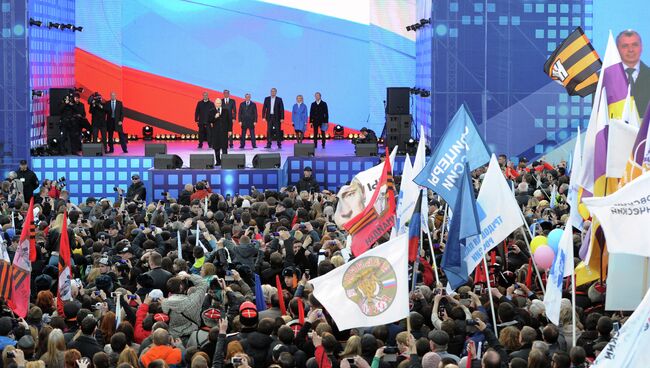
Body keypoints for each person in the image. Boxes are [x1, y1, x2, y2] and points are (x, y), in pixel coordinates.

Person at [617, 29, 650, 117]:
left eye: (635, 45)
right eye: (625, 46)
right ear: (617, 49)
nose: (630, 50)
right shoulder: (605, 77)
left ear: (641, 47)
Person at [209, 98, 232, 166]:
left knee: (224, 147)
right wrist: (215, 117)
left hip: (224, 132)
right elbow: (209, 120)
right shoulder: (211, 111)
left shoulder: (226, 110)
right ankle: (218, 161)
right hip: (215, 132)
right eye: (217, 103)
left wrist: (230, 130)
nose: (218, 104)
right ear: (214, 103)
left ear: (221, 103)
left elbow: (229, 121)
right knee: (217, 148)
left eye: (219, 103)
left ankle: (225, 161)